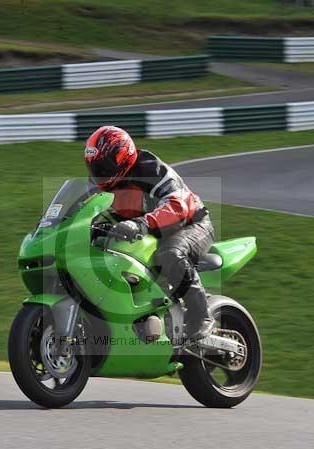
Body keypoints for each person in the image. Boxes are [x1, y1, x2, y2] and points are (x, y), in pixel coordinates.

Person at [84, 125, 215, 341]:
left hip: (192, 224)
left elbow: (178, 205)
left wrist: (142, 223)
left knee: (170, 254)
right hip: (147, 230)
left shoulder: (151, 169)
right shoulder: (102, 181)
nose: (99, 174)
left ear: (122, 158)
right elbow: (87, 209)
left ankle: (201, 316)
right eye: (95, 167)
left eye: (104, 167)